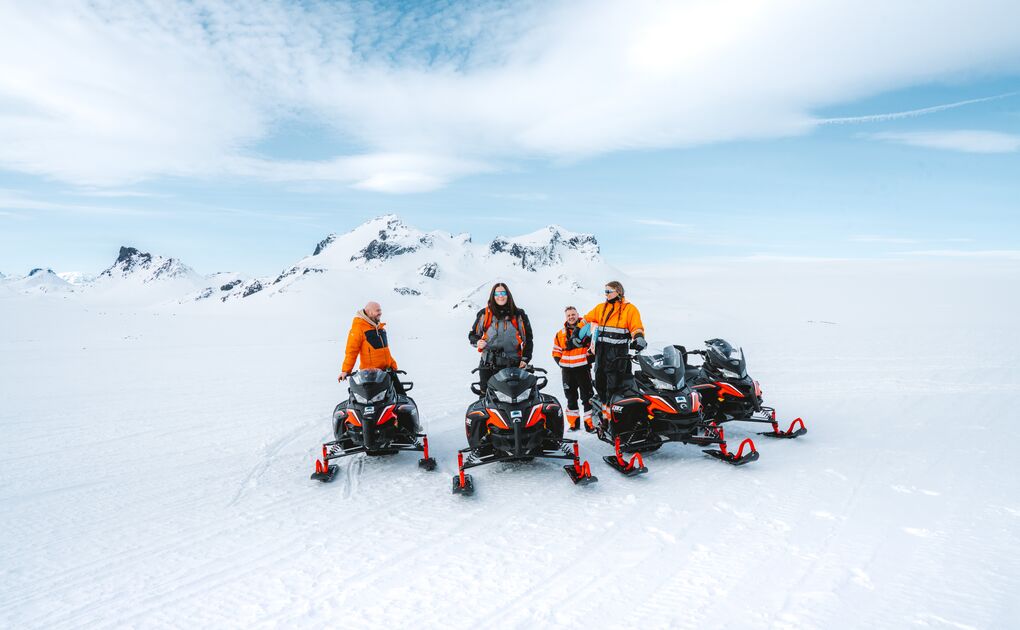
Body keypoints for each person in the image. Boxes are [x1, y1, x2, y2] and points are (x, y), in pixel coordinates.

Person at [580, 281, 646, 402]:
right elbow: (586, 320)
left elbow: (636, 327)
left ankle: (615, 416)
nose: (606, 294)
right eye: (605, 291)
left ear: (618, 292)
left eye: (608, 291)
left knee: (615, 387)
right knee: (600, 384)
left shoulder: (629, 309)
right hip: (601, 354)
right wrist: (576, 333)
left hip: (618, 356)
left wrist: (639, 338)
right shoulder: (601, 308)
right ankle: (605, 416)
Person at [468, 283, 534, 393]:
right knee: (487, 398)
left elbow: (528, 339)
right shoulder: (484, 314)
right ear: (492, 296)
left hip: (512, 365)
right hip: (488, 365)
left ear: (508, 295)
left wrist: (525, 359)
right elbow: (473, 335)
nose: (500, 296)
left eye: (503, 293)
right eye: (497, 293)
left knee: (514, 397)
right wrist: (477, 341)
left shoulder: (519, 314)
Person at [552, 306, 595, 432]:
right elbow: (556, 351)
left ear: (577, 315)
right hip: (567, 372)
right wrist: (561, 363)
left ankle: (590, 425)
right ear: (566, 317)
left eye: (573, 314)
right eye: (568, 315)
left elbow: (593, 348)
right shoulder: (560, 333)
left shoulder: (587, 330)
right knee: (570, 398)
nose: (571, 317)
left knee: (587, 398)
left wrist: (587, 360)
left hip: (582, 369)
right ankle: (573, 424)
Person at [338, 301, 400, 386]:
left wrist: (393, 365)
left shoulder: (379, 328)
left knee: (401, 396)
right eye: (377, 311)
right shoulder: (358, 328)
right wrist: (345, 371)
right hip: (370, 376)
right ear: (369, 312)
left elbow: (384, 351)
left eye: (380, 310)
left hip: (387, 373)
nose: (380, 313)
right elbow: (351, 351)